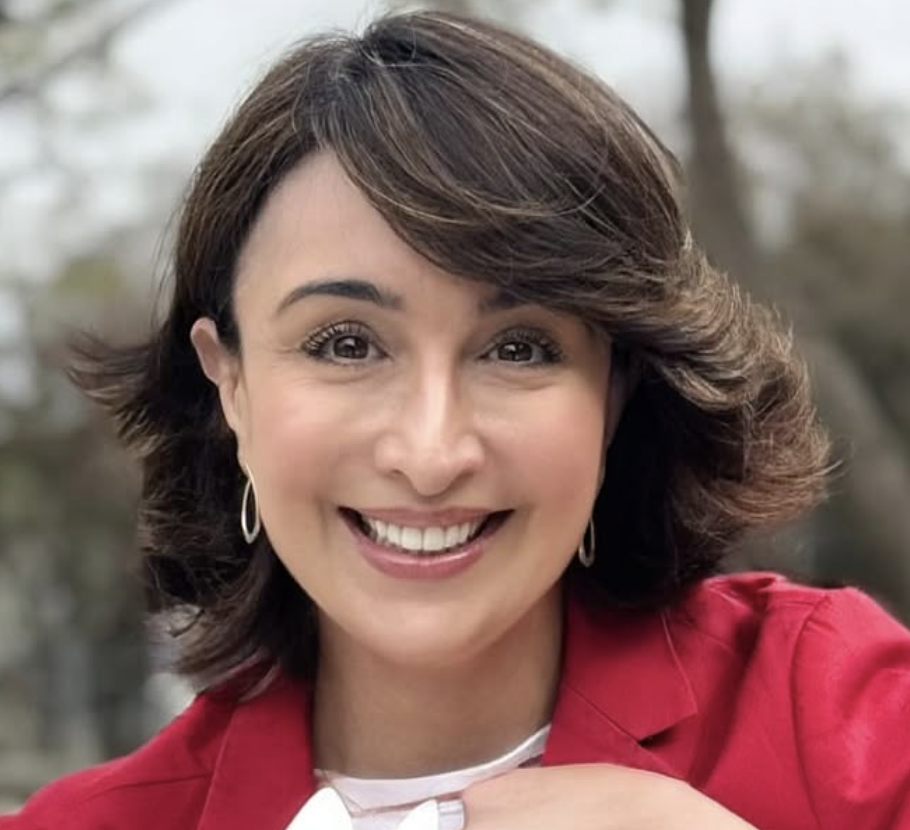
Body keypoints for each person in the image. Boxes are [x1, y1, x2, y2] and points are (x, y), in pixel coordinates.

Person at [3, 9, 910, 830]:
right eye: (346, 344)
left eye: (518, 349)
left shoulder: (836, 713)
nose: (432, 453)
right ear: (229, 381)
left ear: (616, 391)